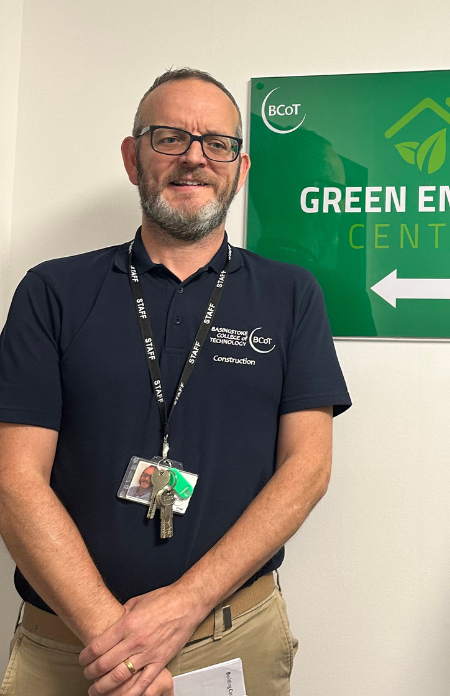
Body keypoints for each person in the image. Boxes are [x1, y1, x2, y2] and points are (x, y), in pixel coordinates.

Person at [0, 68, 351, 696]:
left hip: (231, 638)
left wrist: (182, 605)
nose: (195, 157)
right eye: (169, 138)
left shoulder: (291, 296)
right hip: (74, 652)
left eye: (217, 143)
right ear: (133, 159)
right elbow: (12, 478)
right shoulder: (51, 292)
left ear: (241, 169)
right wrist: (122, 646)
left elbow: (308, 470)